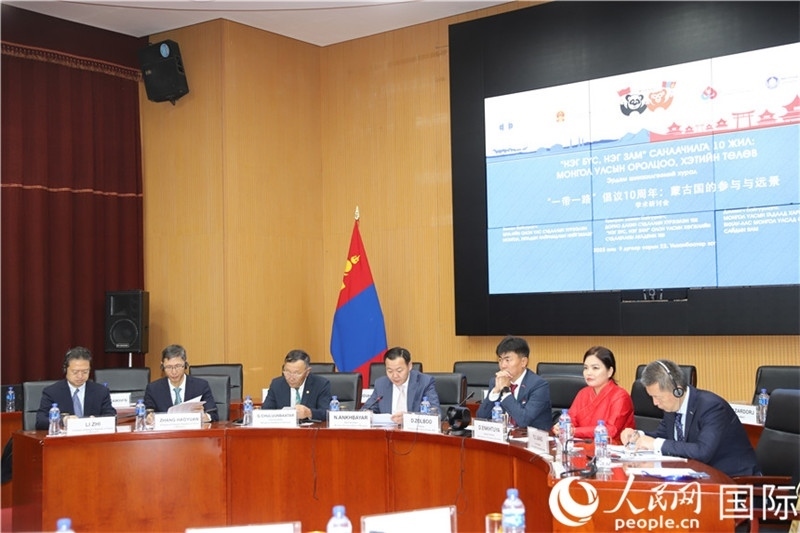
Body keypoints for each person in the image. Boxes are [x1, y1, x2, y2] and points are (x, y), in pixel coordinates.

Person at [620, 359, 760, 477]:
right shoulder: (672, 406)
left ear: (677, 390)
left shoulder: (712, 407)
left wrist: (655, 444)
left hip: (734, 480)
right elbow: (662, 436)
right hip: (699, 476)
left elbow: (702, 452)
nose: (655, 403)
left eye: (658, 397)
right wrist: (638, 436)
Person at [552, 346, 634, 442]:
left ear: (610, 372)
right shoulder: (583, 393)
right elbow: (571, 419)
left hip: (611, 448)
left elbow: (611, 430)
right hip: (581, 446)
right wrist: (561, 426)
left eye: (595, 368)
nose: (588, 373)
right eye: (586, 368)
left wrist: (574, 431)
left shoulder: (620, 396)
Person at [476, 336, 552, 431]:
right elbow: (481, 418)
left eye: (507, 360)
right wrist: (495, 391)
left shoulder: (539, 385)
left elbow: (523, 420)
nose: (503, 365)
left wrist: (505, 390)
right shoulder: (496, 382)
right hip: (505, 436)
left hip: (532, 438)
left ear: (523, 362)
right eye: (500, 360)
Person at [35, 346, 116, 430]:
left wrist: (97, 421)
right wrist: (63, 420)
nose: (80, 376)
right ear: (65, 369)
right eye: (75, 372)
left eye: (85, 372)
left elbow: (111, 416)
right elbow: (40, 421)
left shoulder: (101, 391)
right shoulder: (52, 392)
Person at [364, 346, 440, 424]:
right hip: (388, 430)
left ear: (409, 366)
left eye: (399, 370)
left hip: (413, 430)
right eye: (390, 371)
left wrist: (408, 418)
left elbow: (435, 414)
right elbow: (367, 409)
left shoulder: (424, 382)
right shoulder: (381, 384)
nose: (395, 376)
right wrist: (367, 414)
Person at [143, 344, 218, 422]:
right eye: (169, 367)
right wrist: (149, 418)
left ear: (185, 364)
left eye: (178, 366)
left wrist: (204, 416)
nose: (174, 372)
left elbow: (213, 415)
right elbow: (147, 413)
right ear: (162, 365)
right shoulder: (153, 389)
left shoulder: (201, 386)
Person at [262, 349, 332, 421]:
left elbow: (326, 413)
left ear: (307, 372)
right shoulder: (276, 384)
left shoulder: (321, 384)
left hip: (310, 427)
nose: (291, 378)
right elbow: (265, 412)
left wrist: (309, 413)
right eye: (287, 372)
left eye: (296, 373)